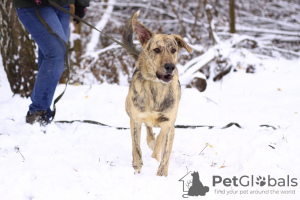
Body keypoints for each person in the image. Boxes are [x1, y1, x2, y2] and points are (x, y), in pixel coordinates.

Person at [13, 0, 90, 126]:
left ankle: (43, 113)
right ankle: (37, 112)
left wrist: (81, 2)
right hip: (34, 5)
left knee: (54, 55)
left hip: (63, 4)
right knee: (57, 55)